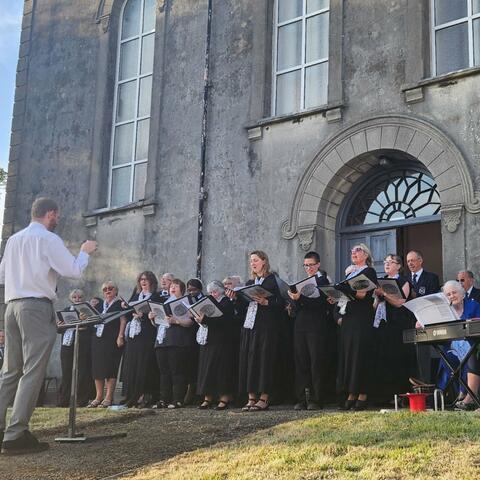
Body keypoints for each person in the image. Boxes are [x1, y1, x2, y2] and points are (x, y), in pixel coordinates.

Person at [0, 197, 97, 454]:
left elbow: (2, 275)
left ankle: (3, 429)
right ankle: (15, 434)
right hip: (35, 306)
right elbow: (73, 270)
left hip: (11, 306)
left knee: (10, 371)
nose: (58, 220)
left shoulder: (14, 240)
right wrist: (85, 252)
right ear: (50, 214)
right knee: (32, 371)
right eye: (57, 215)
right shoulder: (48, 239)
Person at [226, 250, 284, 411]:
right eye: (251, 261)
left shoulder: (272, 280)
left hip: (266, 326)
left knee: (263, 360)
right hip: (249, 326)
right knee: (249, 360)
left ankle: (264, 397)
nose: (252, 263)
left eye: (256, 260)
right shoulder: (250, 281)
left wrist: (267, 302)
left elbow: (281, 303)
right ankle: (251, 397)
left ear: (264, 261)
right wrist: (235, 298)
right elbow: (242, 307)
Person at [335, 243, 377, 411]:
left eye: (358, 250)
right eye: (352, 251)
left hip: (362, 318)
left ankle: (362, 394)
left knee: (360, 355)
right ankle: (351, 393)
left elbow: (362, 294)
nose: (354, 253)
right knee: (348, 355)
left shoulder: (369, 272)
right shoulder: (349, 272)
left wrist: (344, 287)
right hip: (349, 318)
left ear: (366, 255)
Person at [287, 251, 331, 410]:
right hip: (300, 325)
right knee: (301, 362)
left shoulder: (323, 280)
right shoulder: (303, 281)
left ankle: (316, 399)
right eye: (306, 265)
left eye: (311, 265)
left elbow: (321, 303)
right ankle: (301, 398)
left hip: (316, 325)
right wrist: (293, 300)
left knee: (316, 362)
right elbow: (300, 305)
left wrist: (301, 298)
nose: (308, 268)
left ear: (318, 264)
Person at [373, 254, 416, 402]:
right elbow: (375, 305)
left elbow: (400, 302)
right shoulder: (380, 281)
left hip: (398, 324)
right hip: (383, 324)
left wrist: (384, 294)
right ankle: (383, 395)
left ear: (398, 266)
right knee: (383, 358)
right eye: (385, 262)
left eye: (391, 262)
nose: (387, 264)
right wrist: (378, 297)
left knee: (396, 358)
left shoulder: (404, 281)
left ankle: (399, 394)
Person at [151, 279, 196, 409]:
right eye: (171, 286)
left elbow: (190, 322)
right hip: (162, 341)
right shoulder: (164, 302)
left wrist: (175, 321)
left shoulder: (185, 302)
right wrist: (152, 319)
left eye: (175, 286)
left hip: (177, 341)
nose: (172, 288)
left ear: (181, 289)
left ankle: (177, 399)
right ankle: (164, 399)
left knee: (177, 371)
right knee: (164, 372)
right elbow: (158, 324)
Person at [121, 272, 162, 408]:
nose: (143, 282)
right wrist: (126, 308)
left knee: (144, 364)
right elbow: (128, 314)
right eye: (141, 279)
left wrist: (143, 315)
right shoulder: (135, 295)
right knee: (132, 363)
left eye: (146, 279)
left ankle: (144, 395)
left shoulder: (156, 297)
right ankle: (131, 395)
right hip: (134, 334)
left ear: (152, 281)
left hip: (147, 333)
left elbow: (157, 316)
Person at [438, 281, 480, 411]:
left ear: (461, 293)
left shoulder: (473, 305)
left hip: (473, 344)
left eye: (454, 292)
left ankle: (468, 395)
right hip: (452, 347)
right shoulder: (444, 311)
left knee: (471, 356)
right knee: (446, 356)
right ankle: (463, 392)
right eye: (448, 294)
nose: (451, 296)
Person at [196, 281, 236, 410]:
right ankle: (208, 397)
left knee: (221, 369)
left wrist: (205, 319)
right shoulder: (209, 302)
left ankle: (224, 397)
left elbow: (225, 320)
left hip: (222, 341)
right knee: (207, 368)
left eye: (214, 291)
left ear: (221, 291)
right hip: (209, 339)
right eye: (210, 292)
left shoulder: (226, 303)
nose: (212, 294)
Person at [88, 281, 127, 408]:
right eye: (105, 289)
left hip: (112, 339)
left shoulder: (119, 304)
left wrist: (120, 336)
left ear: (116, 290)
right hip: (98, 339)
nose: (107, 291)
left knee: (110, 367)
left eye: (110, 288)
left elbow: (123, 320)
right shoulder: (99, 305)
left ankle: (109, 397)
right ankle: (98, 396)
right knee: (97, 368)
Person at [406, 250, 440, 383]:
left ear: (420, 260)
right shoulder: (405, 279)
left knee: (423, 359)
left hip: (423, 323)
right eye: (408, 261)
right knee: (409, 359)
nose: (410, 263)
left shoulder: (431, 278)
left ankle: (426, 392)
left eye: (413, 260)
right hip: (407, 323)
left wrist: (416, 297)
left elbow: (432, 299)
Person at [57, 289, 95, 407]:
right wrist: (60, 326)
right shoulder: (66, 310)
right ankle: (64, 400)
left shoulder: (87, 310)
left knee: (82, 371)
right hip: (67, 344)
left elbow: (93, 326)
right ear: (71, 299)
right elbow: (59, 329)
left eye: (79, 297)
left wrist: (84, 321)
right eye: (75, 297)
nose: (77, 299)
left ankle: (81, 400)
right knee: (67, 372)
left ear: (83, 299)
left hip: (82, 344)